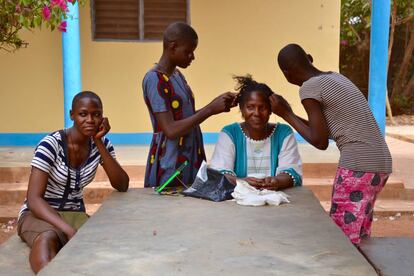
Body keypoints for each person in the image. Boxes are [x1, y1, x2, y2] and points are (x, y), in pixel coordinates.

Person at [271, 43, 392, 245]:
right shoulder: (336, 78)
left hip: (358, 165)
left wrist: (286, 114)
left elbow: (319, 141)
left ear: (287, 73)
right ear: (310, 58)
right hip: (379, 163)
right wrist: (289, 113)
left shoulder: (309, 88)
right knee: (359, 234)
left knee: (342, 238)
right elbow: (325, 130)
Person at [17, 91, 130, 273]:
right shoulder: (50, 145)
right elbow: (34, 199)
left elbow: (122, 184)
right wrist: (68, 230)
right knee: (47, 238)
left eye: (96, 114)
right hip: (39, 214)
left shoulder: (102, 145)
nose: (90, 120)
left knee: (102, 246)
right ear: (72, 115)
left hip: (75, 214)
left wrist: (98, 142)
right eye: (83, 114)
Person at [142, 22, 237, 188]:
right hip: (170, 162)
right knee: (170, 209)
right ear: (173, 47)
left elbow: (186, 118)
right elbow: (170, 130)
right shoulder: (154, 79)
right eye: (189, 52)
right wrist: (209, 109)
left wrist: (216, 106)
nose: (193, 57)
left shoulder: (177, 75)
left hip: (189, 157)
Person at [210, 75, 302, 190]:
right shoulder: (230, 133)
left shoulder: (283, 133)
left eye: (262, 107)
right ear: (242, 109)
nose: (257, 113)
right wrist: (242, 182)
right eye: (250, 107)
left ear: (270, 110)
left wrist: (277, 181)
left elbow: (291, 171)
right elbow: (218, 173)